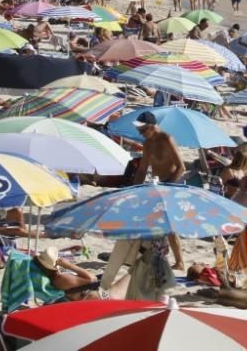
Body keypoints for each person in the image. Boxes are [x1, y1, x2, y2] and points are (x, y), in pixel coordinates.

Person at [132, 111, 186, 269]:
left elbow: (181, 167)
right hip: (157, 184)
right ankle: (145, 256)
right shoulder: (148, 143)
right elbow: (142, 170)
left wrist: (168, 186)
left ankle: (180, 261)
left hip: (171, 184)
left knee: (169, 225)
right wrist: (134, 189)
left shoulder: (167, 139)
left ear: (152, 126)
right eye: (139, 131)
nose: (141, 134)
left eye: (143, 130)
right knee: (147, 220)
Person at [33, 246, 130, 300]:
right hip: (102, 299)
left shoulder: (54, 280)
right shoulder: (61, 279)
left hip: (95, 297)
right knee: (130, 275)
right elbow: (91, 280)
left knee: (118, 280)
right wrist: (68, 265)